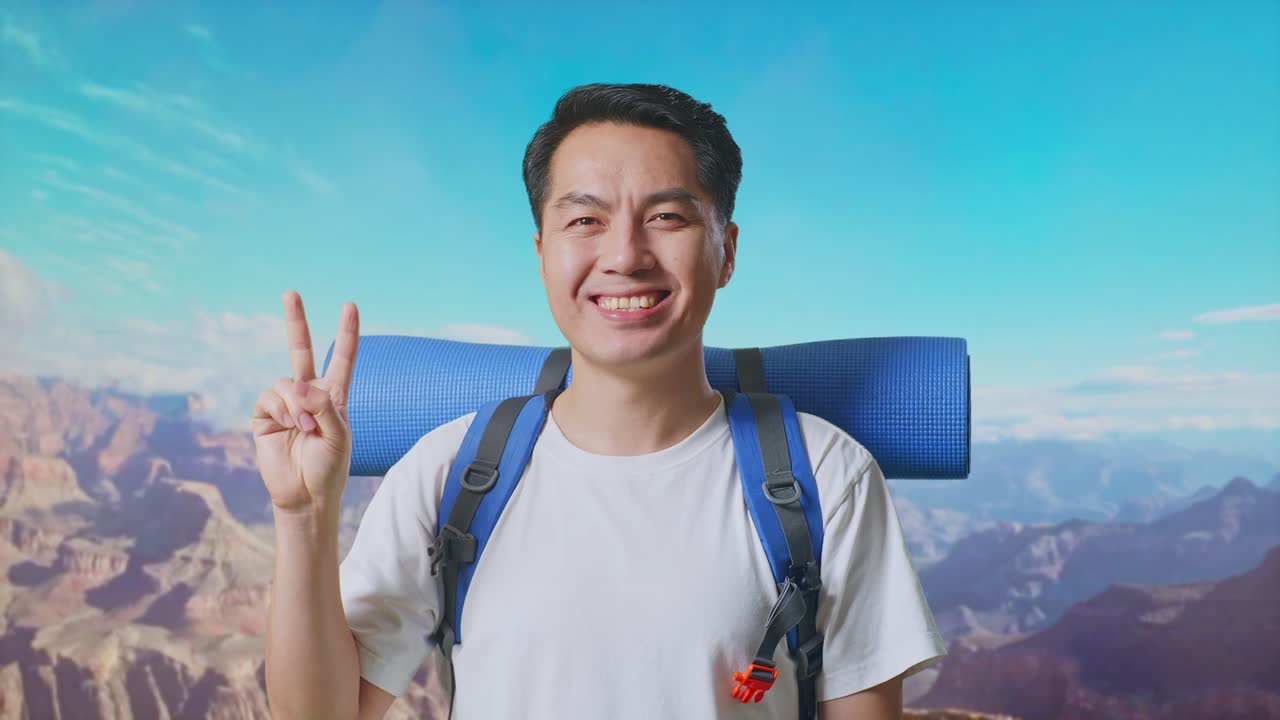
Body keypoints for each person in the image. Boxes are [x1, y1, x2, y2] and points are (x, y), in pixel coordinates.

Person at [256, 82, 946, 720]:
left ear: (726, 251)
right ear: (541, 252)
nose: (625, 255)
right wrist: (304, 517)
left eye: (667, 216)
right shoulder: (447, 475)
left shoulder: (828, 477)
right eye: (585, 219)